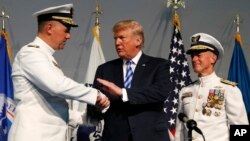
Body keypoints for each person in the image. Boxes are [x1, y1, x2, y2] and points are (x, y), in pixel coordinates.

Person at [8, 3, 109, 141]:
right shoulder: (30, 53)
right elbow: (58, 86)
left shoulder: (46, 57)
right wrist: (95, 94)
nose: (69, 36)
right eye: (66, 30)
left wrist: (87, 117)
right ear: (49, 28)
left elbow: (52, 107)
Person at [87, 19, 172, 141]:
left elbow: (160, 92)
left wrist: (123, 92)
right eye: (115, 38)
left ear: (138, 40)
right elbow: (93, 109)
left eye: (122, 38)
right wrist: (99, 105)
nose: (117, 42)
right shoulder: (105, 69)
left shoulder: (159, 65)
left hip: (150, 136)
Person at [175, 33, 249, 141]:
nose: (194, 59)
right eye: (192, 55)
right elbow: (180, 130)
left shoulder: (229, 89)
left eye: (198, 54)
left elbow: (240, 128)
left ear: (213, 58)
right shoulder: (185, 91)